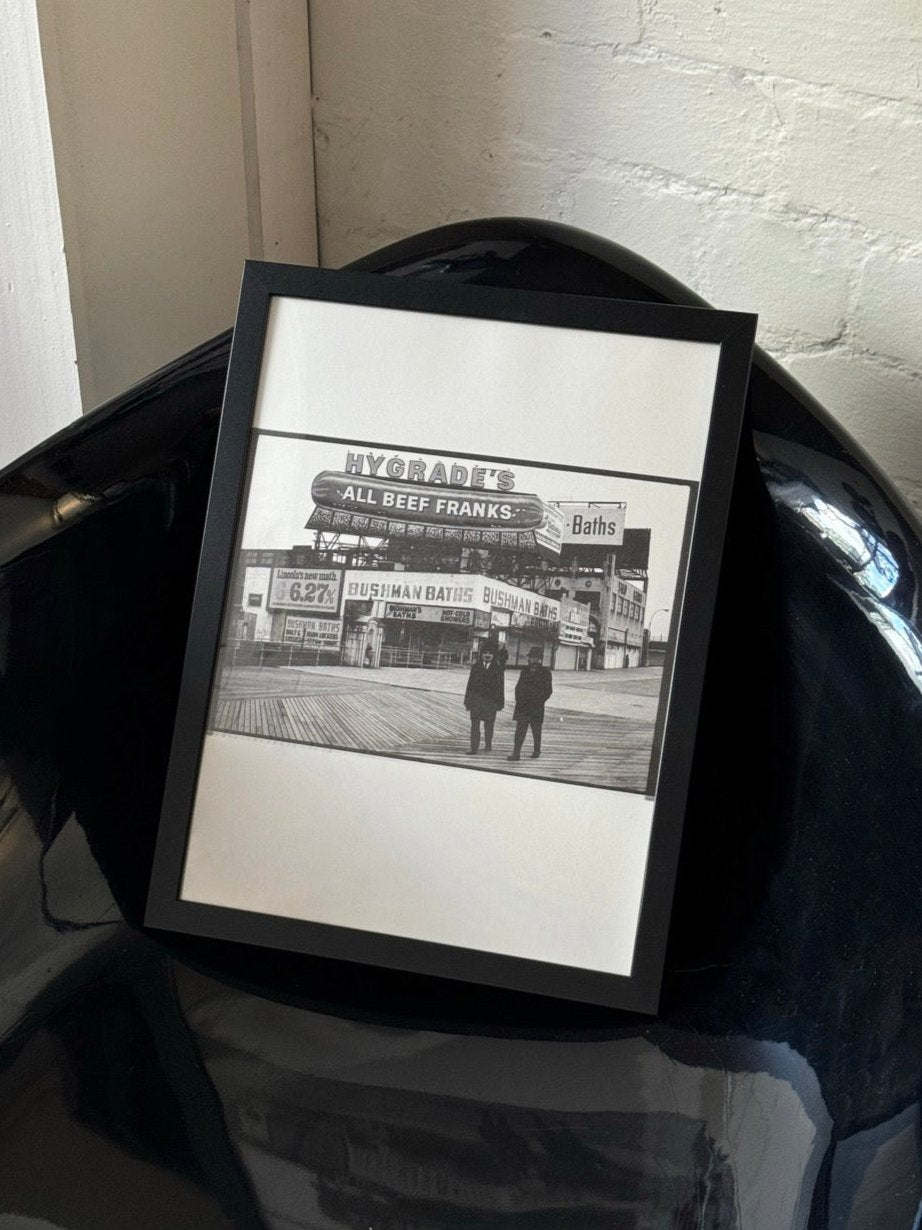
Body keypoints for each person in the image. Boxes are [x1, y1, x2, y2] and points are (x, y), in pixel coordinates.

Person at [508, 646, 553, 760]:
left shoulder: (545, 672)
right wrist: (519, 699)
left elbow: (548, 690)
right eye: (532, 657)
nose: (533, 660)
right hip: (523, 706)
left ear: (540, 659)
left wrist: (538, 700)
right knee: (520, 730)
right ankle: (516, 753)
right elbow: (518, 687)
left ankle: (537, 750)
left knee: (536, 730)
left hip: (536, 707)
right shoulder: (524, 670)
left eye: (536, 658)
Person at [463, 642, 505, 754]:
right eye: (485, 653)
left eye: (490, 653)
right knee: (475, 726)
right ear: (481, 655)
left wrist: (500, 703)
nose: (487, 655)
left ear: (493, 655)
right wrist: (467, 700)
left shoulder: (498, 669)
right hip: (476, 702)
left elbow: (501, 687)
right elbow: (470, 685)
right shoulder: (476, 667)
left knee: (489, 725)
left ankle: (488, 745)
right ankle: (474, 748)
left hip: (490, 702)